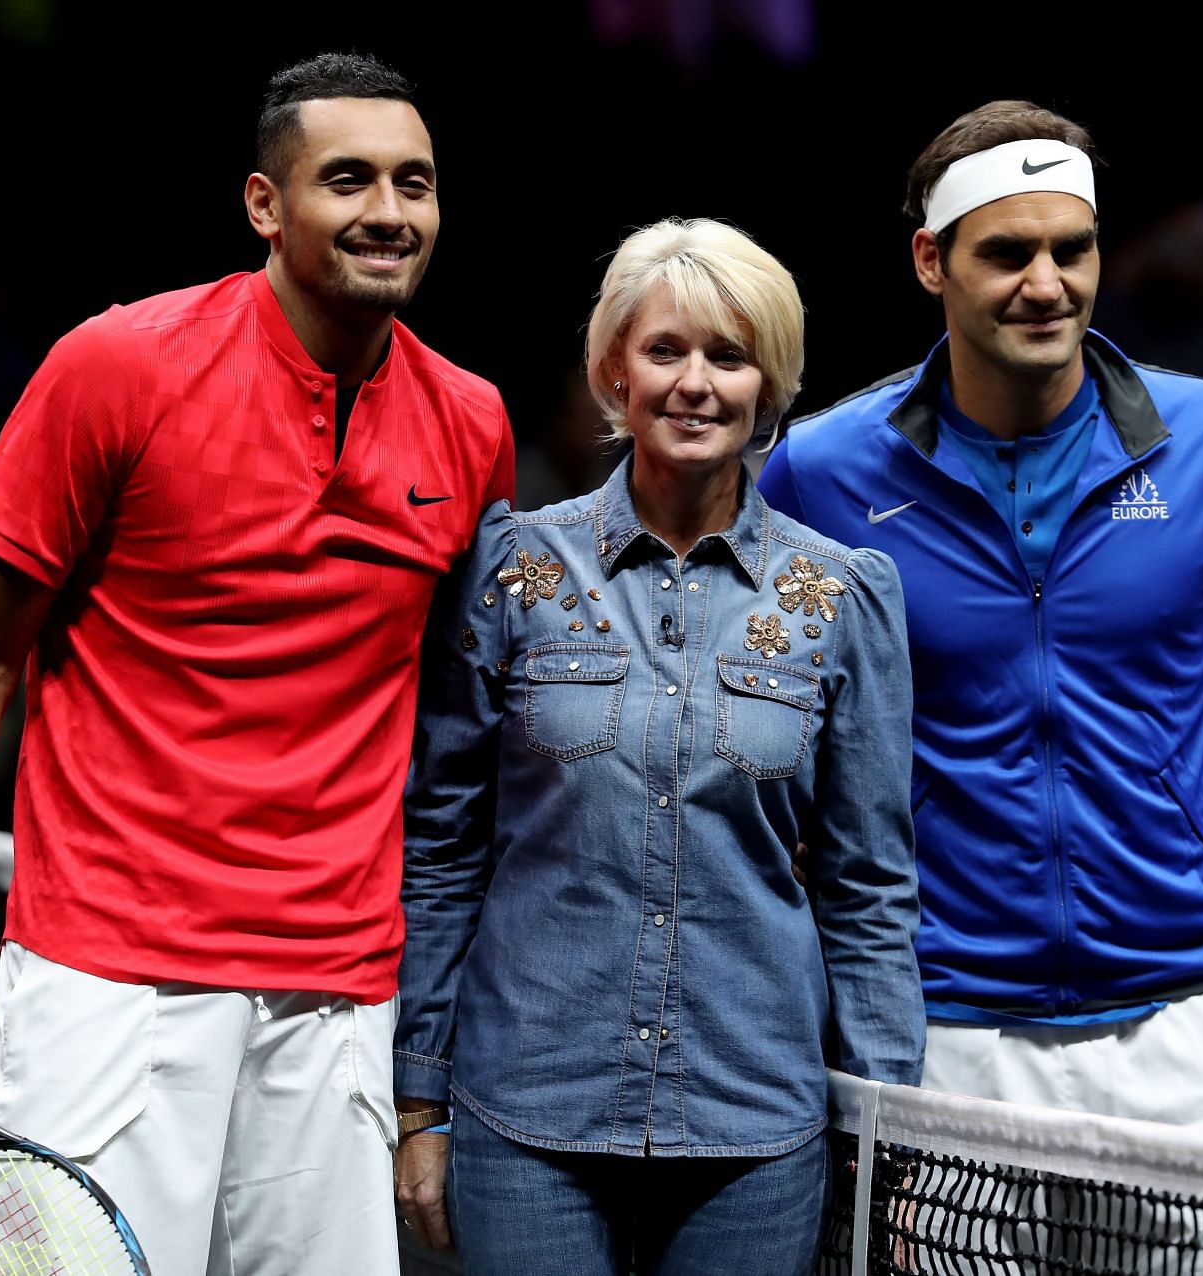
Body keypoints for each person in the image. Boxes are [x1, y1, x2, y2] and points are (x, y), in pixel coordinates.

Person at [0, 53, 515, 1276]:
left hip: (341, 995)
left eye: (417, 182)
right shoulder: (117, 368)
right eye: (347, 179)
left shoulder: (472, 421)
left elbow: (462, 721)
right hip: (107, 977)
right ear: (264, 203)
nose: (389, 212)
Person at [756, 101, 1203, 1142]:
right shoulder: (821, 472)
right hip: (939, 1032)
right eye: (1007, 253)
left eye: (1070, 248)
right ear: (929, 261)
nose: (1047, 284)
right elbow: (767, 751)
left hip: (1181, 1021)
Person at [391, 218, 924, 1273]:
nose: (696, 383)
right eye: (666, 350)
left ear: (769, 388)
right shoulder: (511, 572)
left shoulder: (842, 597)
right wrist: (418, 1097)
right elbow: (441, 848)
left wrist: (885, 1127)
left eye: (729, 357)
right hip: (522, 1106)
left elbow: (868, 886)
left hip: (756, 1121)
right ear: (611, 372)